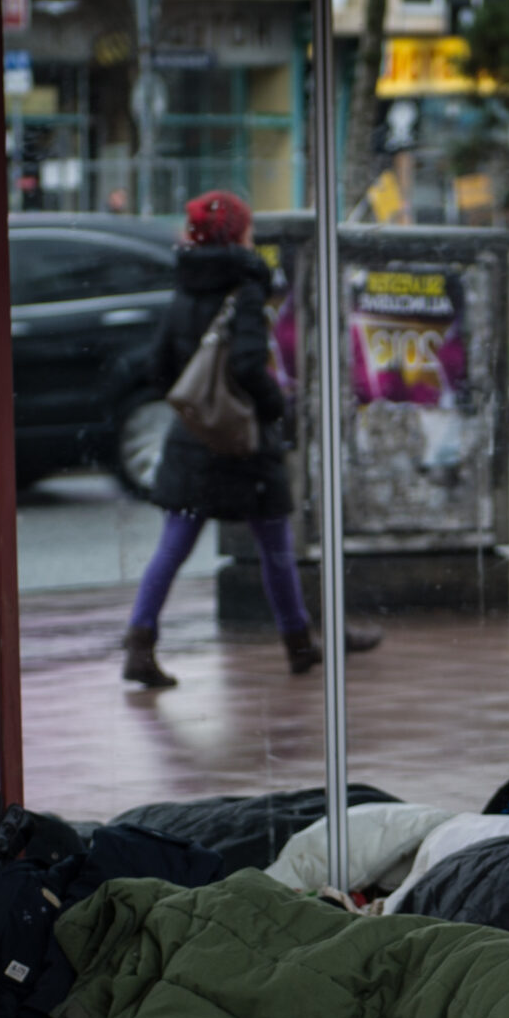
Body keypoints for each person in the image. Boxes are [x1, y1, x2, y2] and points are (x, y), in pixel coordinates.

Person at [122, 190, 380, 688]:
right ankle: (299, 643)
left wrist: (199, 403)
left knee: (173, 545)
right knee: (274, 544)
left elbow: (159, 368)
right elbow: (246, 364)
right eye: (248, 226)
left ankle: (140, 641)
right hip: (243, 441)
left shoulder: (185, 288)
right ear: (238, 233)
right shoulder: (243, 289)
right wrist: (272, 407)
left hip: (194, 436)